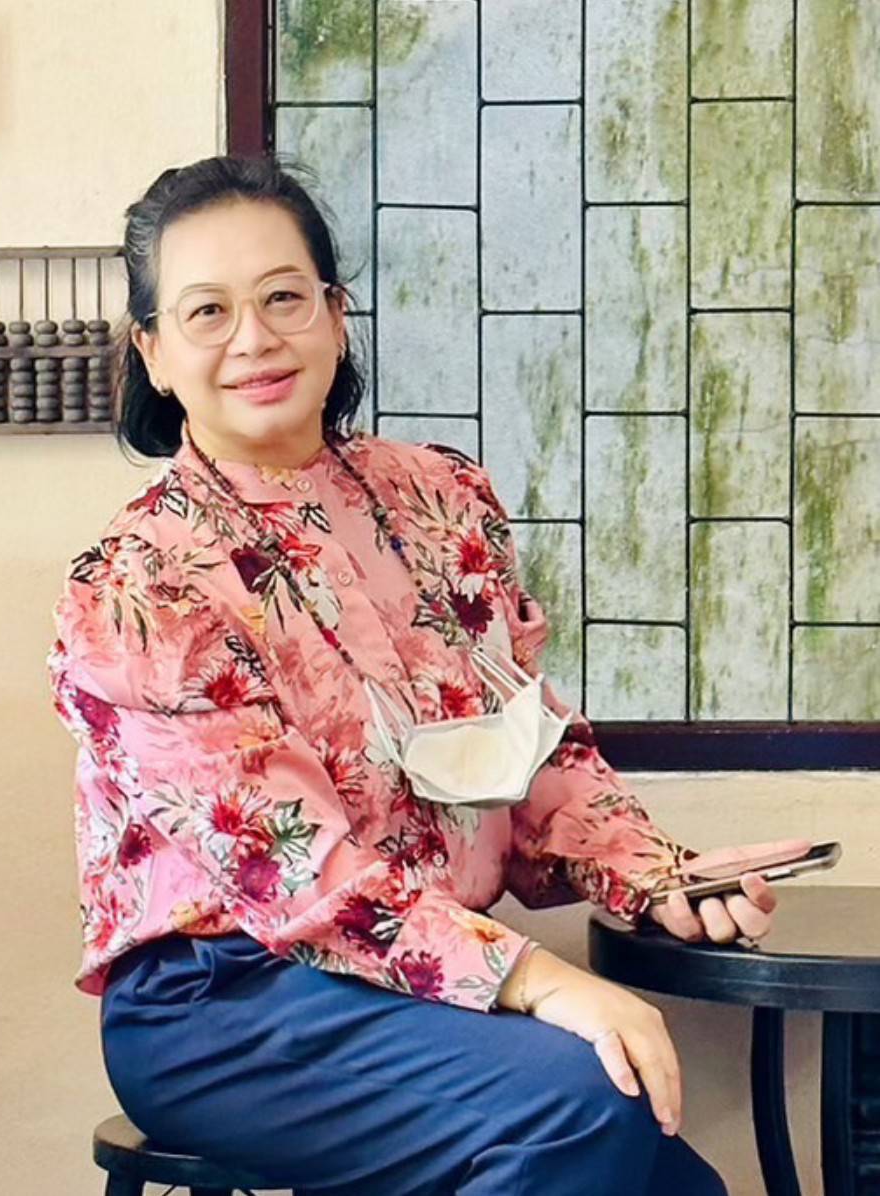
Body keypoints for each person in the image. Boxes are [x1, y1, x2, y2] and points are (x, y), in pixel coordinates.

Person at [46, 154, 801, 1196]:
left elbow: (528, 752)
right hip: (226, 1007)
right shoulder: (138, 583)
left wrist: (655, 871)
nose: (253, 338)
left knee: (669, 1181)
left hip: (417, 985)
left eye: (283, 298)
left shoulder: (443, 499)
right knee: (589, 1096)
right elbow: (296, 875)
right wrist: (537, 979)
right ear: (155, 353)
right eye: (207, 312)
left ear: (335, 314)